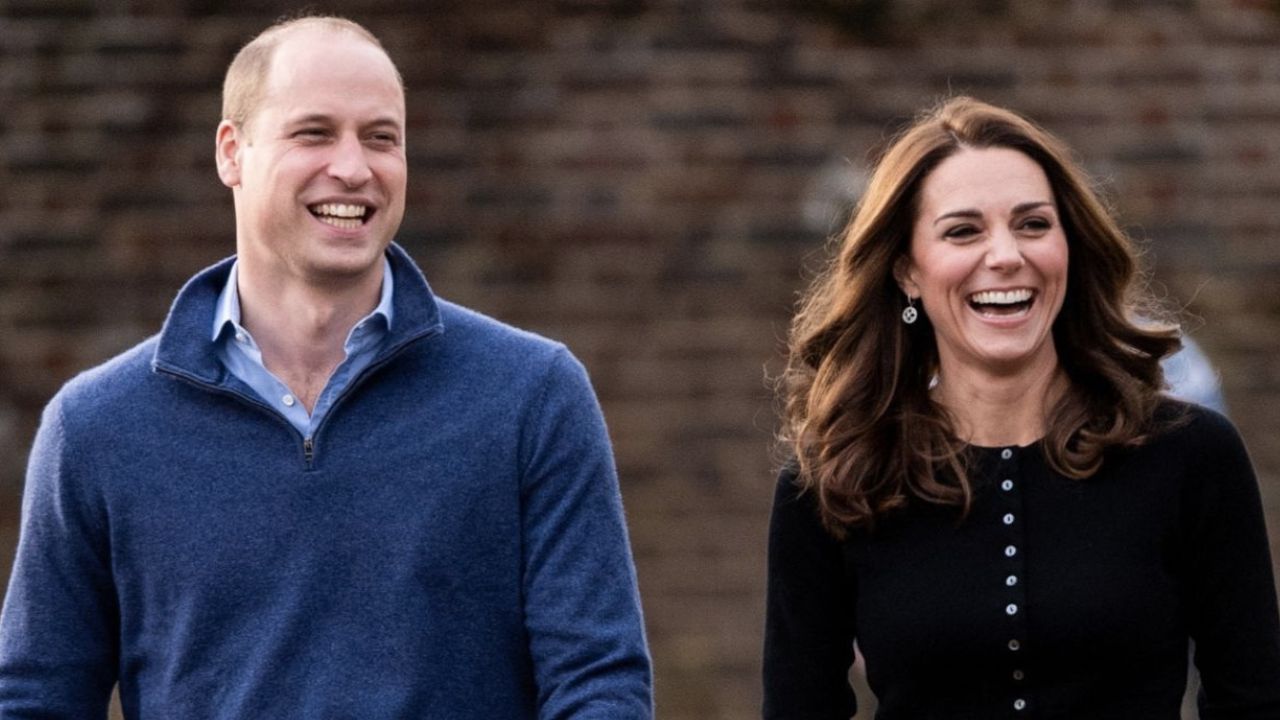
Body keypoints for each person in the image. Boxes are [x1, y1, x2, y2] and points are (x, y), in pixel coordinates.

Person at [0, 16, 652, 719]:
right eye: (314, 133)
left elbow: (598, 684)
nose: (354, 167)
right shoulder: (98, 428)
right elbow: (38, 699)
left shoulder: (530, 396)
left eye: (381, 138)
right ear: (232, 152)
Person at [764, 97, 1280, 718]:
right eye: (963, 231)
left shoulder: (1190, 454)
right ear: (906, 270)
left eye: (1033, 224)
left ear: (1070, 247)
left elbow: (1252, 699)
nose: (1006, 255)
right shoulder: (837, 480)